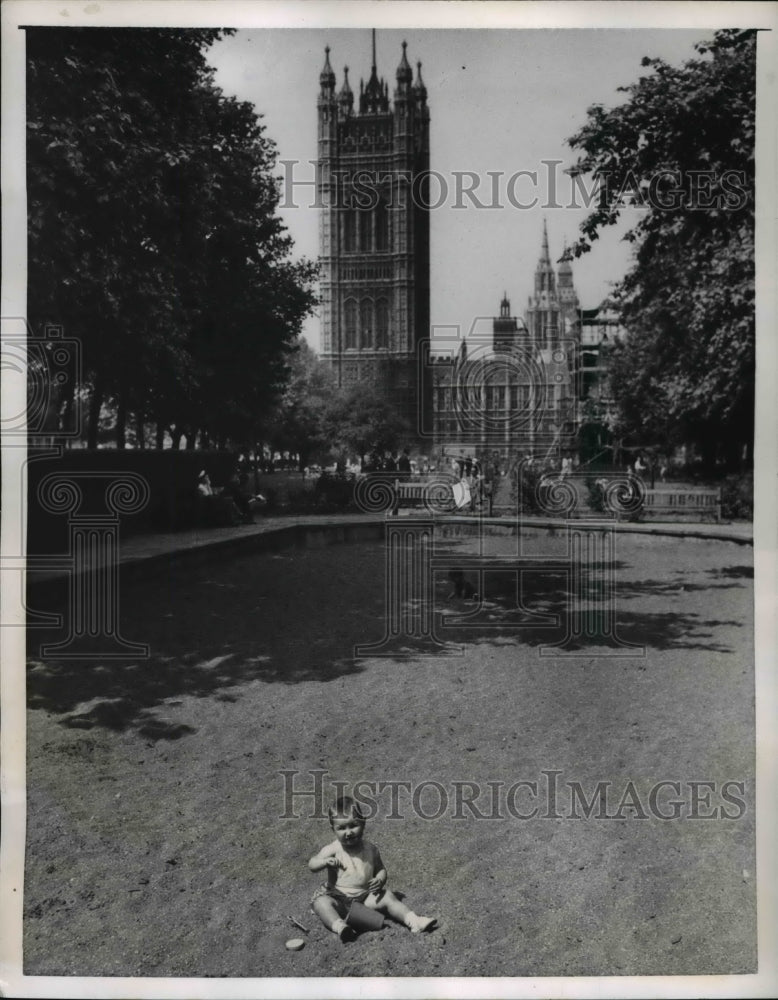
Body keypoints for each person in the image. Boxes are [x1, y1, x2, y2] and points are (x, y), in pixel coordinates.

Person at [309, 796, 437, 942]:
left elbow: (381, 869)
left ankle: (414, 920)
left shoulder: (371, 849)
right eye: (342, 828)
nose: (348, 832)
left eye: (353, 825)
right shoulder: (332, 849)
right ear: (333, 829)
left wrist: (379, 879)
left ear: (363, 823)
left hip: (364, 899)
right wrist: (325, 862)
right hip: (339, 900)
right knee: (322, 903)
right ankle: (340, 926)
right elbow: (312, 864)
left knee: (388, 896)